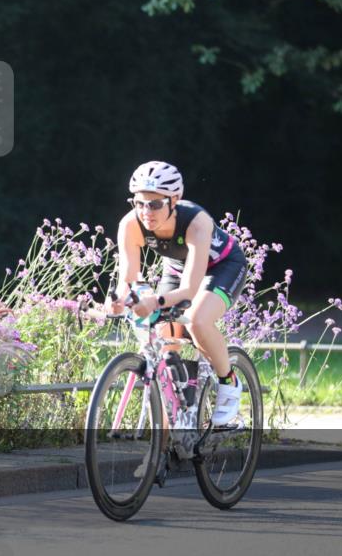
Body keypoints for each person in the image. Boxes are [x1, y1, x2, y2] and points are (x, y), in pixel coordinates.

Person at [106, 161, 249, 426]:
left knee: (197, 320)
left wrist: (153, 301)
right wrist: (118, 300)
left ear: (174, 200)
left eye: (155, 204)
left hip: (222, 267)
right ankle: (178, 418)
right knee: (164, 340)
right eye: (139, 203)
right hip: (176, 269)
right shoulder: (130, 224)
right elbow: (128, 278)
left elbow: (189, 290)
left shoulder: (196, 221)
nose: (146, 212)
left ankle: (229, 383)